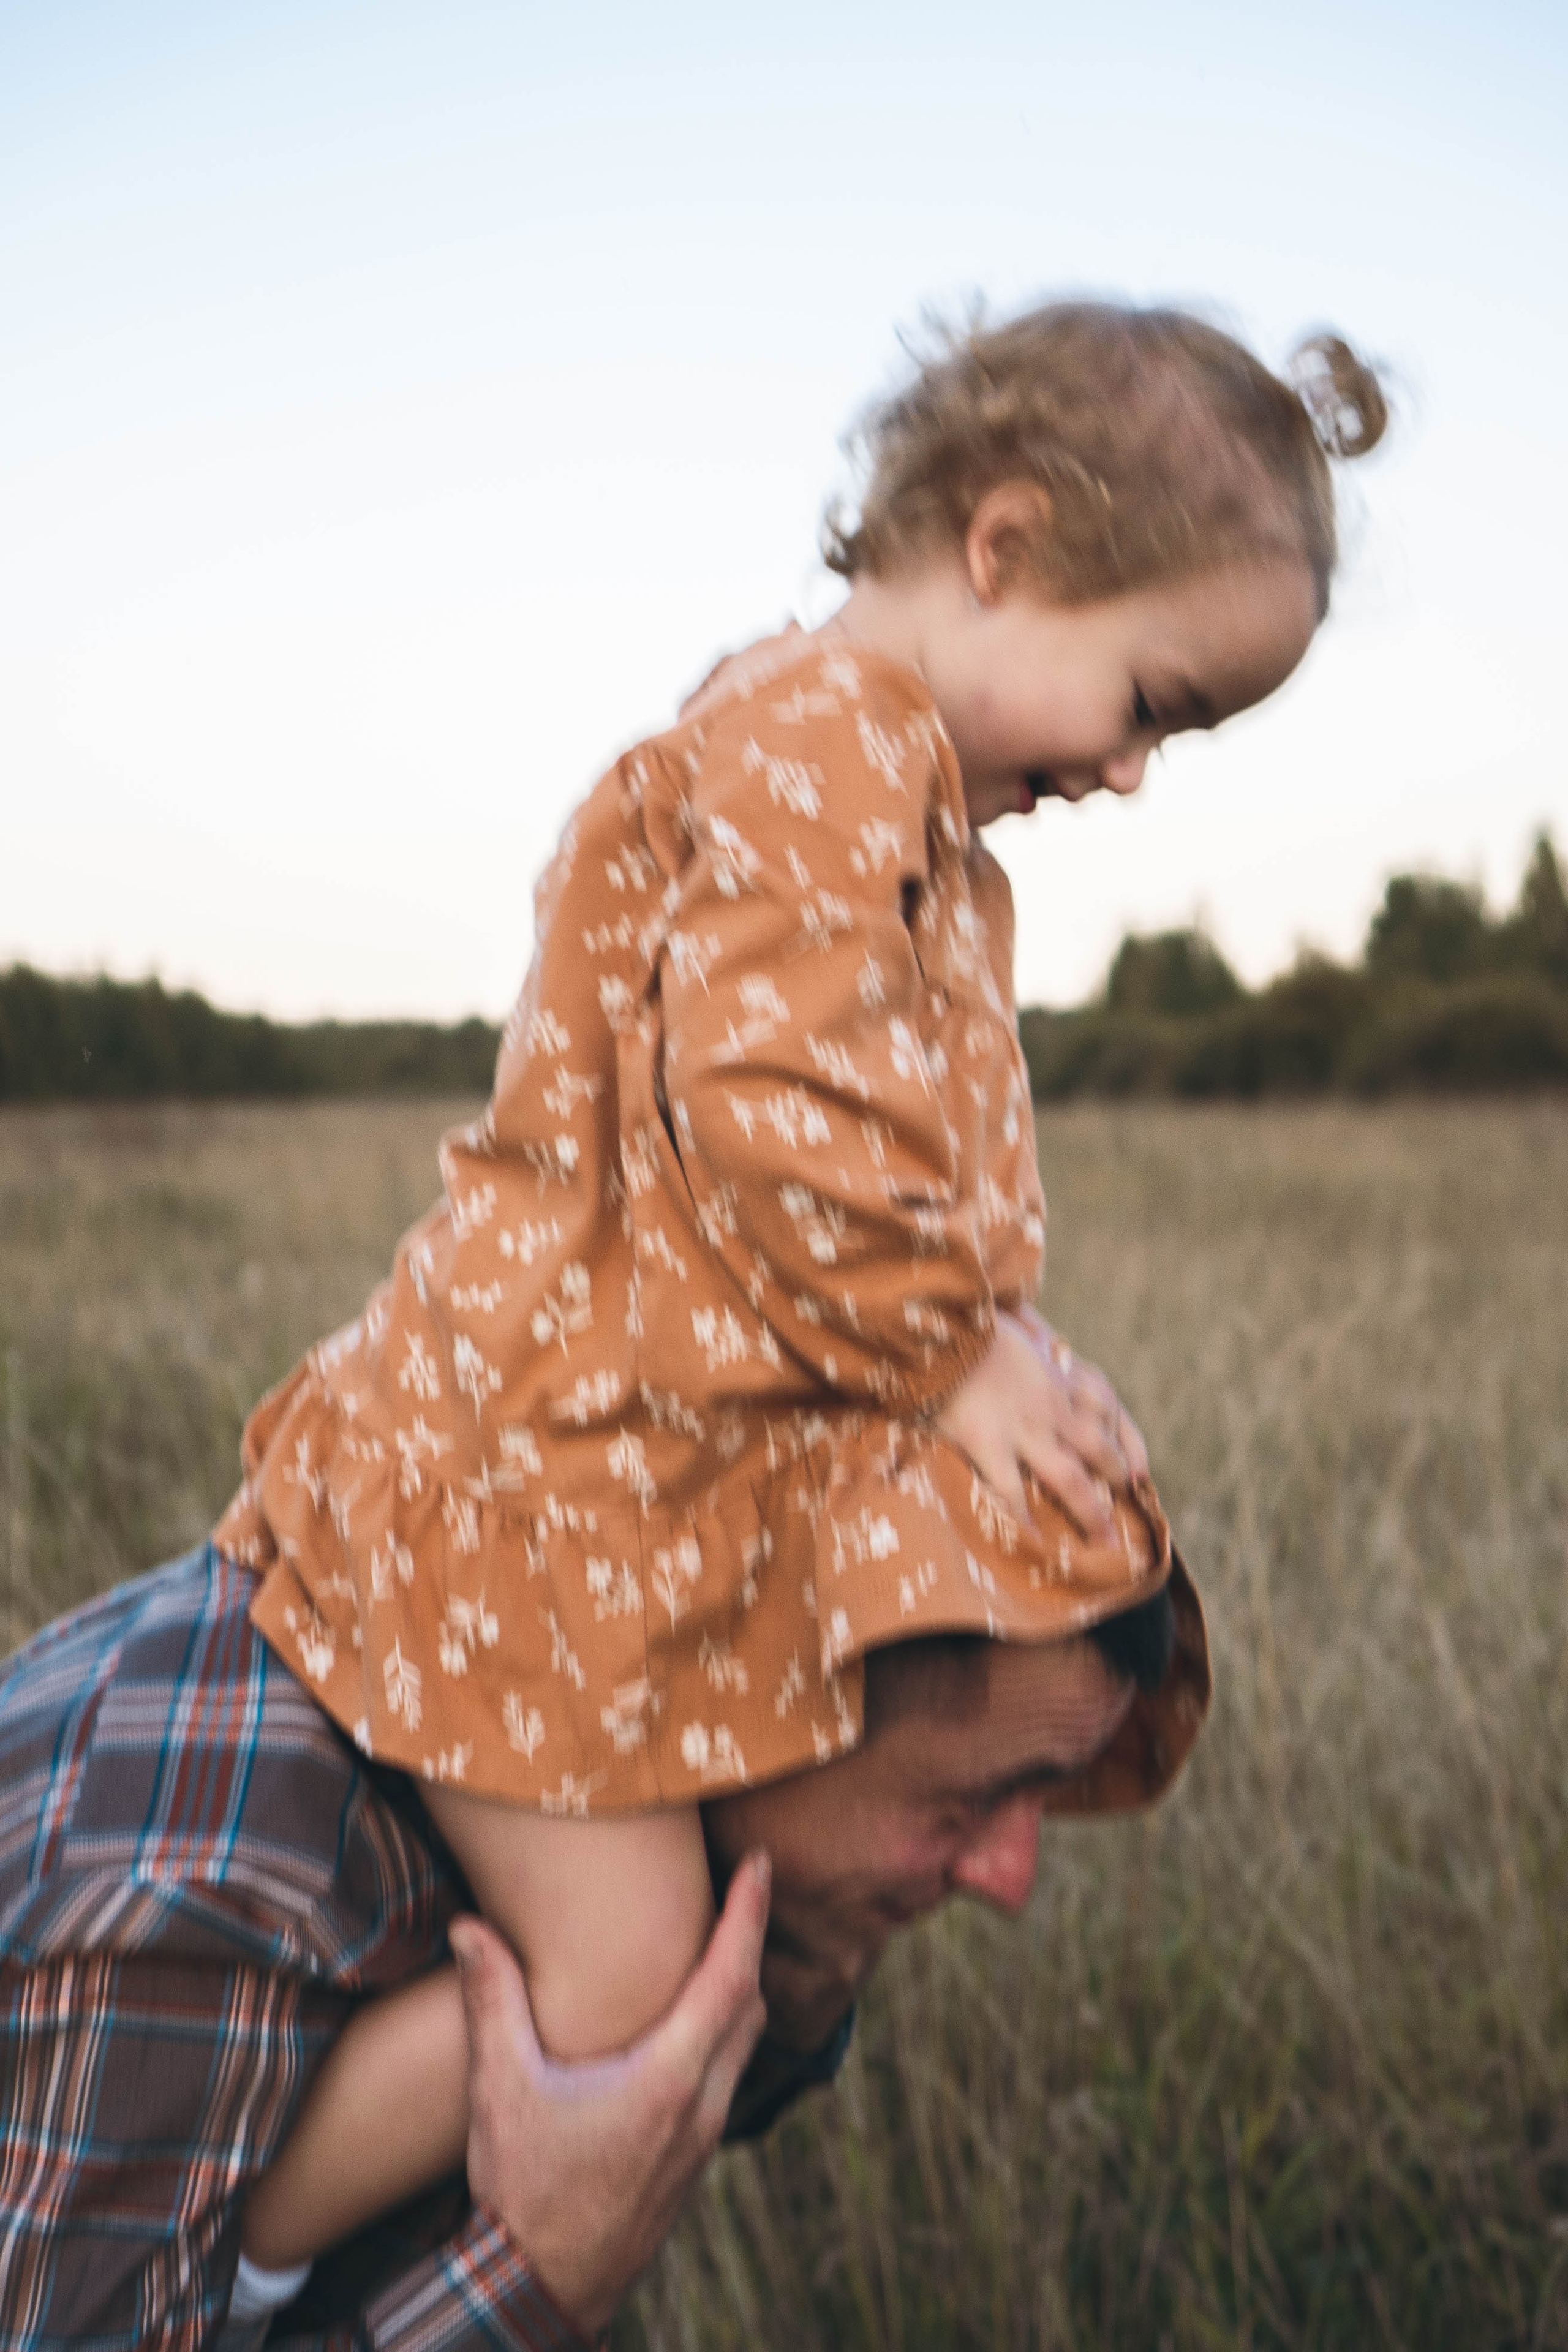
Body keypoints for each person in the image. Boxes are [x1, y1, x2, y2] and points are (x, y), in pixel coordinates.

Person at [207, 297, 1387, 2299]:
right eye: (1153, 701)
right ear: (1004, 545)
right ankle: (251, 2246)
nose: (1127, 773)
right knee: (637, 1971)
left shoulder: (841, 765)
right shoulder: (830, 746)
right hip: (530, 1492)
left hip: (598, 1475)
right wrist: (948, 1351)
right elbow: (776, 1117)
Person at [0, 1525, 1205, 2345]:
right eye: (965, 1803)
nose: (1011, 1877)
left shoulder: (612, 1837)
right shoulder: (207, 1883)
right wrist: (537, 2277)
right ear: (742, 1715)